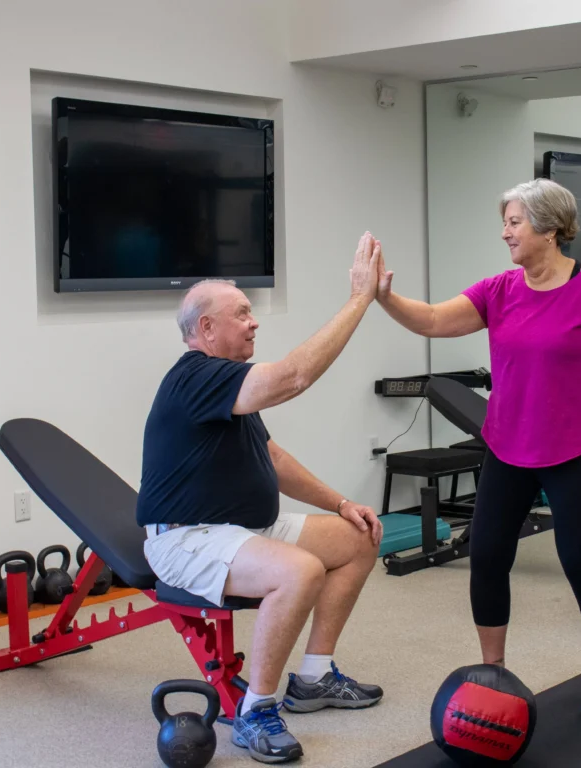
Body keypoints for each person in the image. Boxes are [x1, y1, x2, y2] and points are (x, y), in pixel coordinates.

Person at [374, 178, 581, 718]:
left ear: (550, 228)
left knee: (580, 560)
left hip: (575, 450)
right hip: (507, 449)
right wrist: (383, 297)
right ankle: (494, 674)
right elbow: (434, 320)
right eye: (505, 221)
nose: (505, 232)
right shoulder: (498, 290)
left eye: (514, 222)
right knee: (487, 556)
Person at [137, 233, 386, 764]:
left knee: (359, 537)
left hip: (241, 528)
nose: (254, 322)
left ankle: (314, 677)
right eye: (243, 314)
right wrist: (359, 300)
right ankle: (255, 711)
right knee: (298, 571)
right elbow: (294, 376)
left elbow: (271, 459)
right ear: (205, 329)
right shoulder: (196, 377)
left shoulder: (227, 385)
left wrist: (342, 502)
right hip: (186, 537)